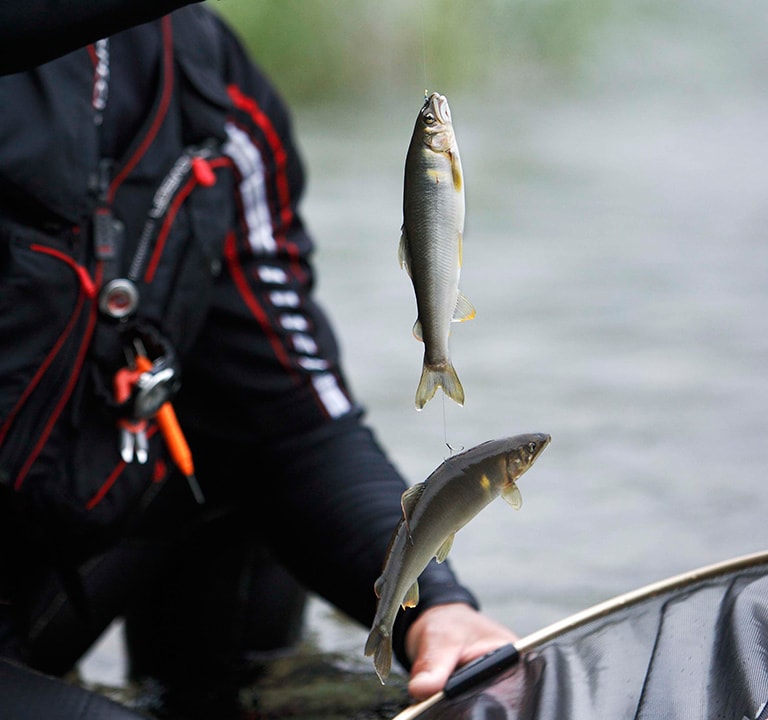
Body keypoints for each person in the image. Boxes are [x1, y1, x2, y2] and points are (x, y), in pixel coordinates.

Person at [0, 4, 517, 718]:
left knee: (231, 438)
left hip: (38, 578)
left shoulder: (203, 74)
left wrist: (435, 609)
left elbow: (294, 426)